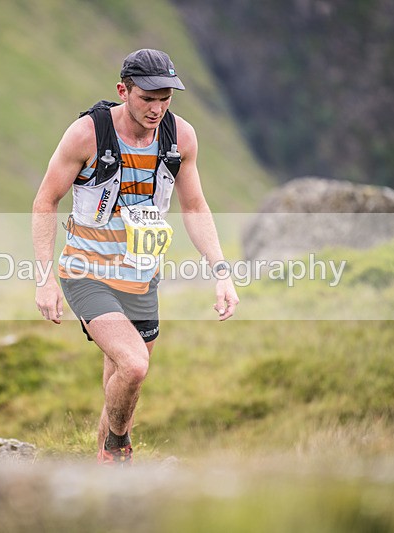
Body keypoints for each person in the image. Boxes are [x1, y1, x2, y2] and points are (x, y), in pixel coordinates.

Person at [32, 49, 239, 465]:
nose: (157, 108)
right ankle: (119, 445)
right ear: (123, 91)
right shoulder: (86, 135)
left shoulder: (180, 137)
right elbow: (45, 201)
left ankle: (106, 474)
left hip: (142, 275)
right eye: (147, 98)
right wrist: (45, 278)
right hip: (87, 271)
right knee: (135, 365)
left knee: (120, 378)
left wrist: (222, 271)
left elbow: (195, 207)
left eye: (166, 98)